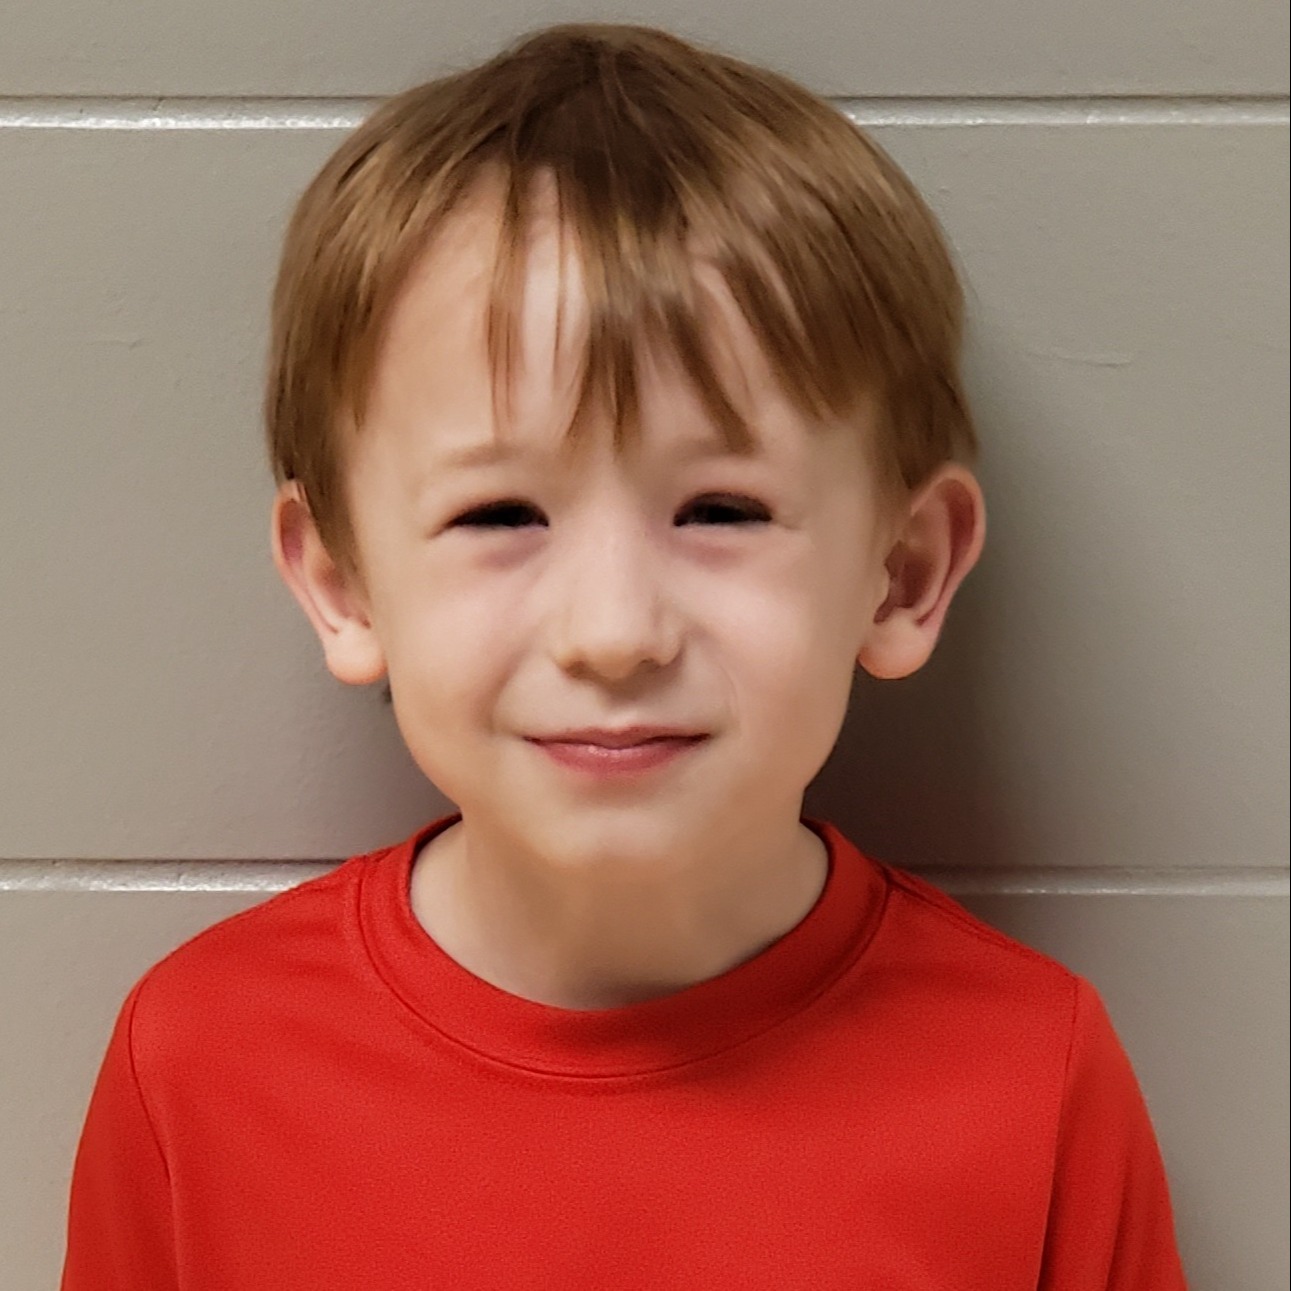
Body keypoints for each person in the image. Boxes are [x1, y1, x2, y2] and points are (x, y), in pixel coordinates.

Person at [60, 23, 1188, 1289]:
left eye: (721, 511)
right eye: (500, 515)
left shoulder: (1033, 1074)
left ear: (905, 572)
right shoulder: (202, 1062)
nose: (612, 633)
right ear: (341, 582)